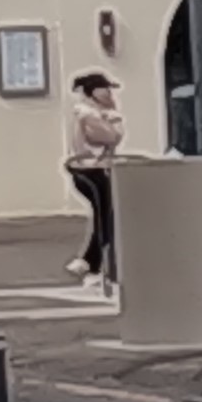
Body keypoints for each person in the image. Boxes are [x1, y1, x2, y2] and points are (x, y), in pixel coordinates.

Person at [64, 72, 125, 280]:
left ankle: (91, 261)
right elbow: (112, 136)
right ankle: (95, 263)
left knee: (105, 214)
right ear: (93, 92)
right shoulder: (87, 114)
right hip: (90, 170)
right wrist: (113, 115)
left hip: (94, 168)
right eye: (104, 89)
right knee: (105, 215)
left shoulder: (93, 112)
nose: (109, 93)